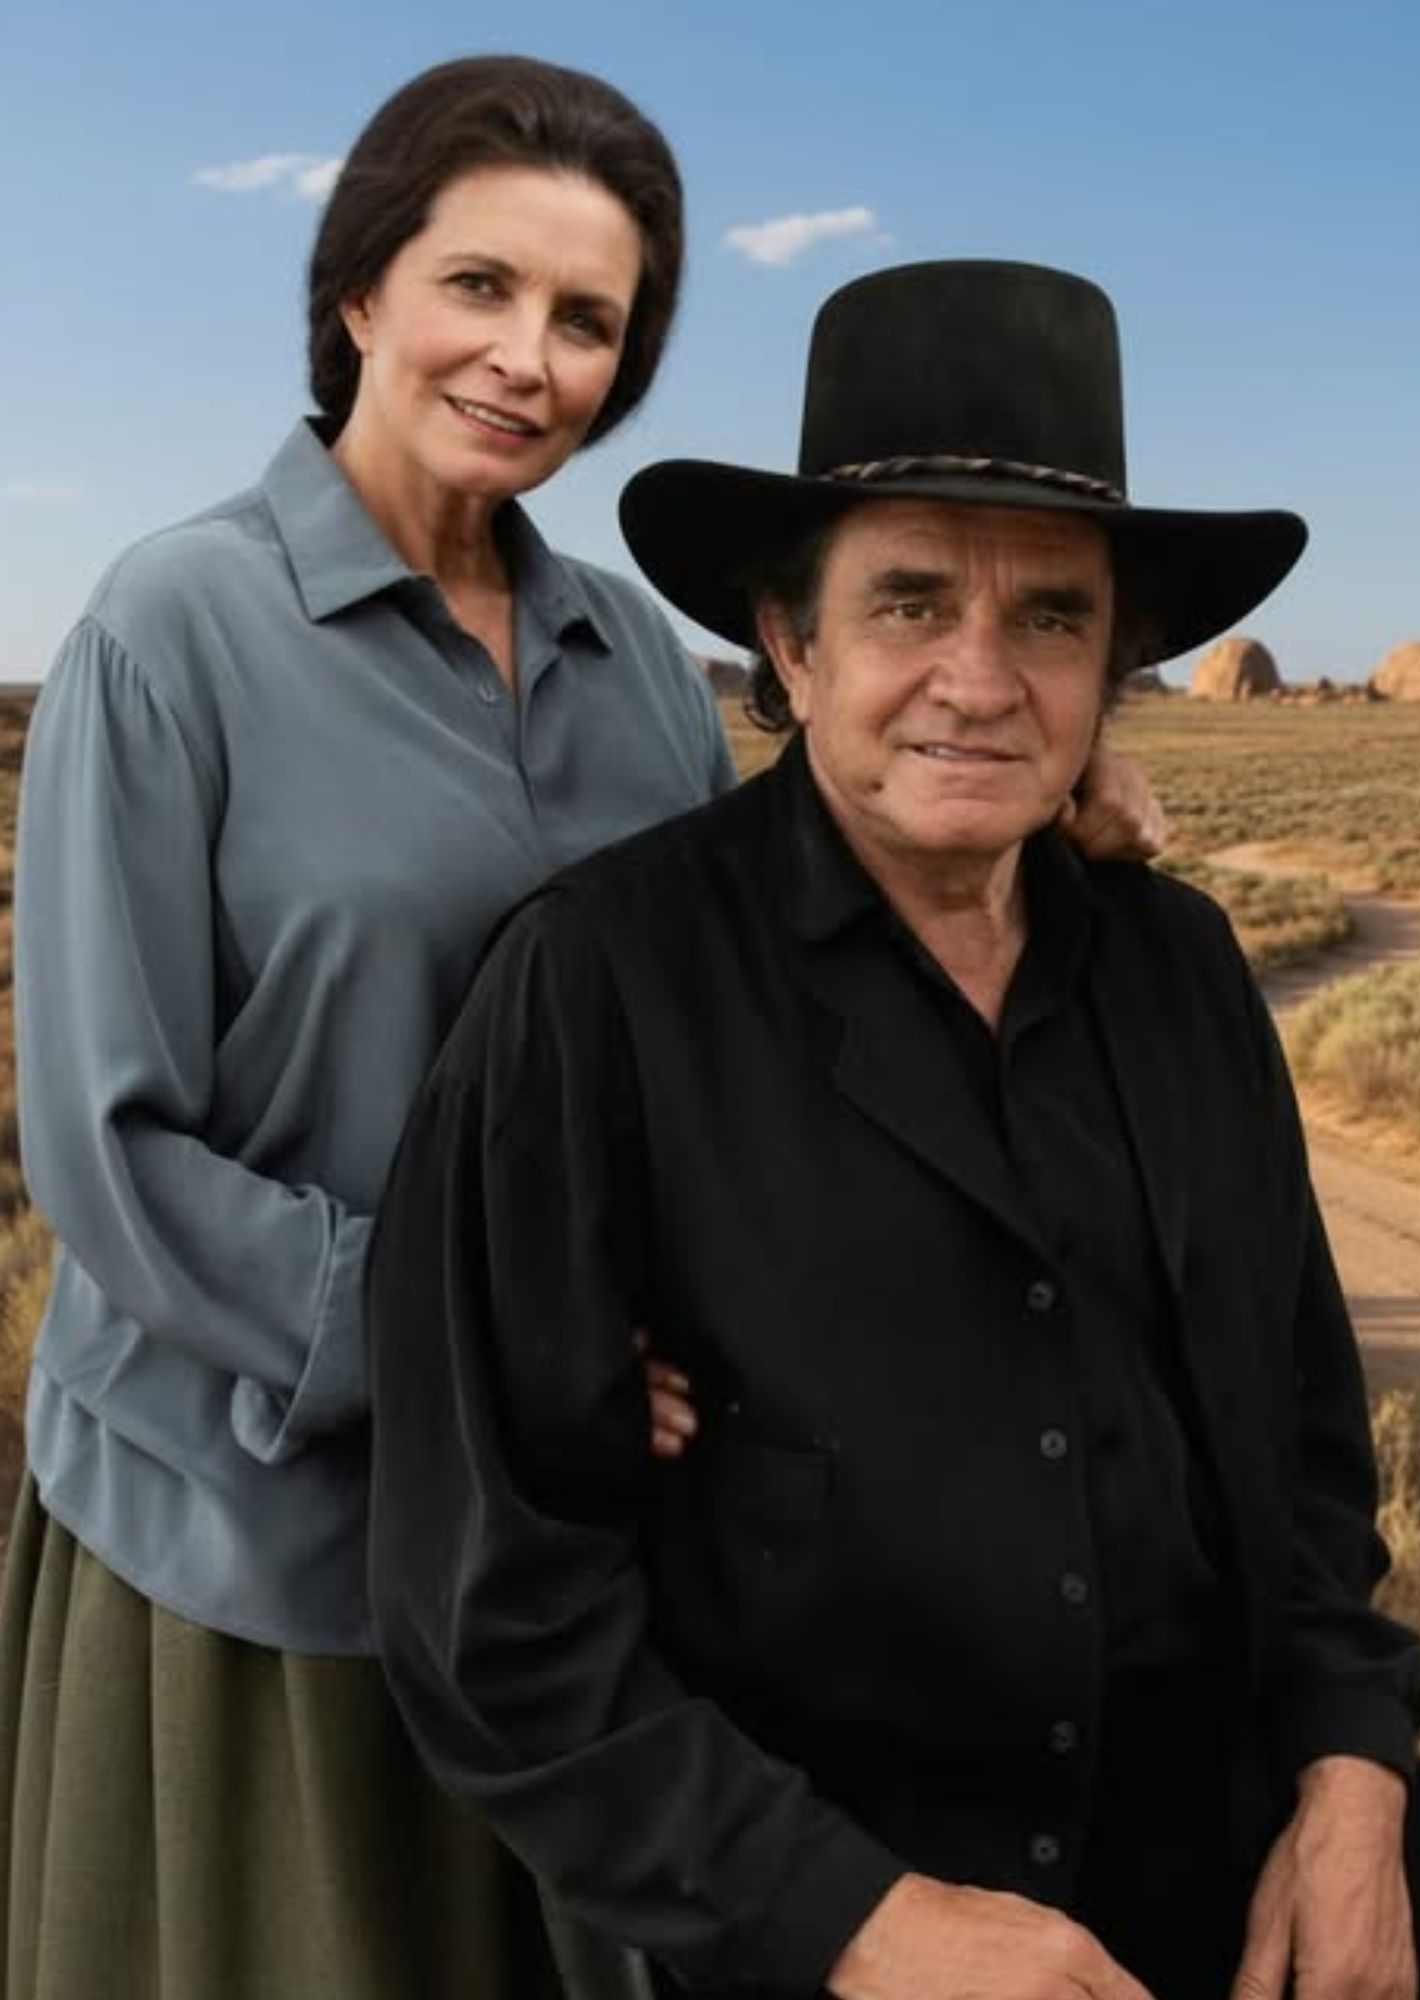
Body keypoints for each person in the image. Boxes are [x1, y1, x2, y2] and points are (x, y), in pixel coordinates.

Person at [0, 61, 1155, 2000]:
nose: (527, 358)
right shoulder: (172, 629)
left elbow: (751, 955)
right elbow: (107, 1153)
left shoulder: (631, 663)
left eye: (588, 320)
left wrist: (1026, 793)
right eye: (481, 286)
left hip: (589, 1557)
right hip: (266, 1539)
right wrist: (501, 1359)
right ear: (358, 290)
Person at [366, 260, 1420, 2000]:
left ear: (1111, 668)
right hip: (828, 1888)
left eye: (1050, 620)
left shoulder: (1179, 971)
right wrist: (854, 1921)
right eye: (909, 603)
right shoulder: (600, 990)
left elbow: (1307, 1449)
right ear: (791, 644)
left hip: (1222, 1818)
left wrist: (1350, 1780)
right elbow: (495, 1611)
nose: (980, 678)